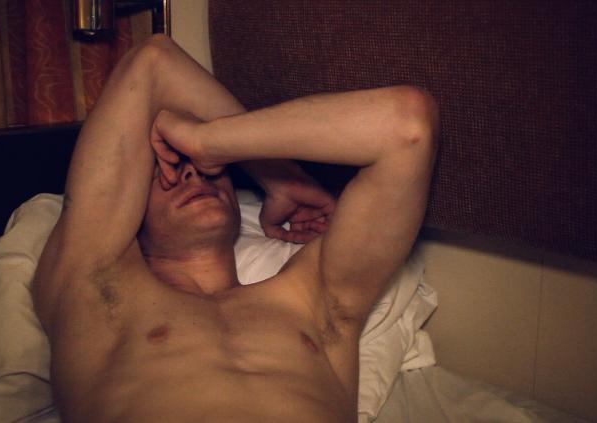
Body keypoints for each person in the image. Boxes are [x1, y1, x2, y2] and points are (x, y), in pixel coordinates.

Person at [33, 34, 438, 423]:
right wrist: (267, 172)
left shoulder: (314, 299)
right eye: (167, 167)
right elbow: (153, 61)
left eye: (206, 167)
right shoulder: (95, 288)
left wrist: (217, 145)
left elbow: (408, 125)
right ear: (128, 206)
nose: (192, 171)